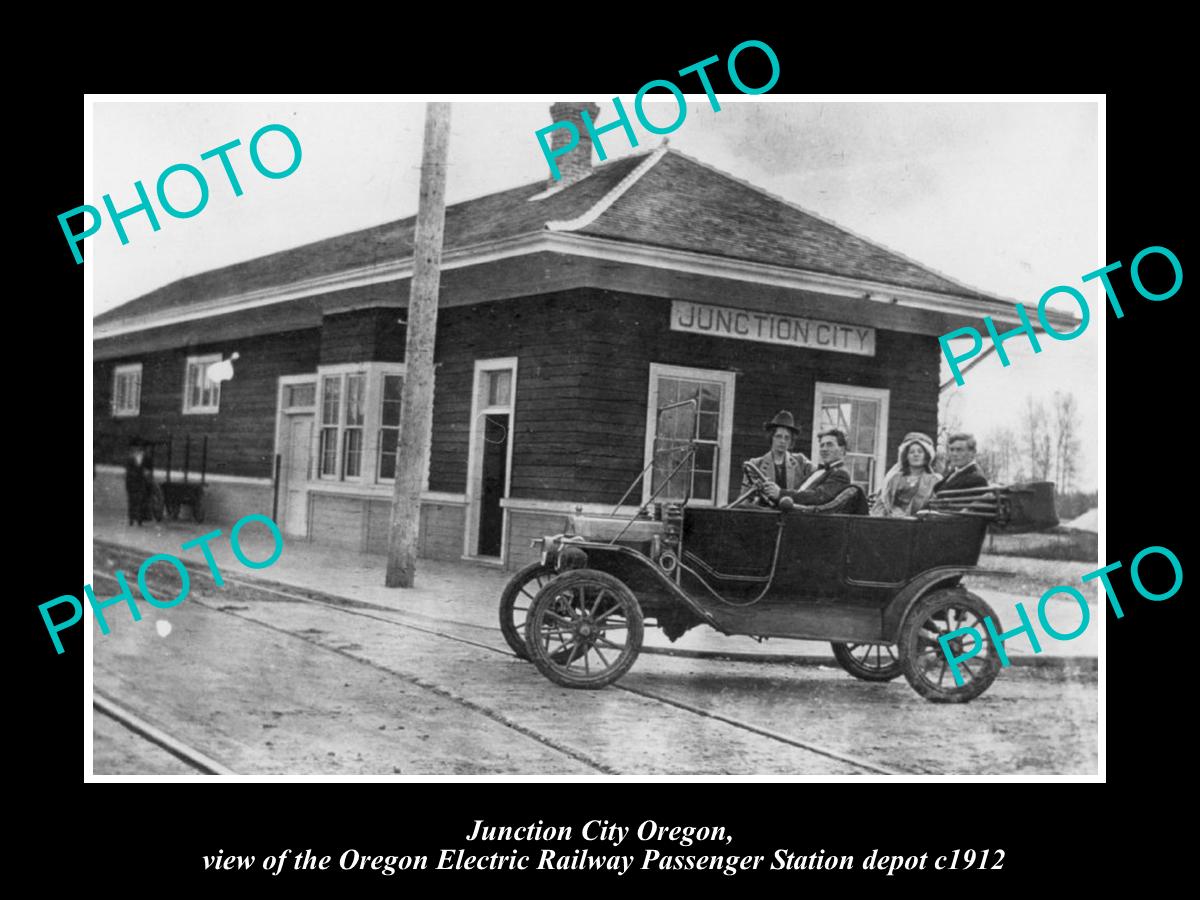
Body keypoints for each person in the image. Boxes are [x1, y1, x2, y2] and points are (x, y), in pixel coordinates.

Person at [741, 411, 813, 505]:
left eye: (787, 438)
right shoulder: (756, 464)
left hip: (793, 514)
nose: (782, 441)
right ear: (771, 437)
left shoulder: (800, 462)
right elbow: (745, 498)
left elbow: (818, 476)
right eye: (778, 436)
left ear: (791, 441)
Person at [871, 431, 940, 517]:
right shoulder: (895, 478)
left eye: (920, 452)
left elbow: (936, 508)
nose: (916, 455)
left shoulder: (934, 480)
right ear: (906, 456)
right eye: (911, 452)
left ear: (926, 457)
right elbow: (882, 504)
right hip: (892, 521)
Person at [782, 427, 853, 506]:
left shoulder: (841, 474)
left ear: (842, 450)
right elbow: (799, 491)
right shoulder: (818, 471)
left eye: (829, 445)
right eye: (822, 445)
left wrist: (781, 493)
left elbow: (817, 496)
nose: (824, 449)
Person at [124, 438, 152, 526]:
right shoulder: (130, 458)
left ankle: (140, 519)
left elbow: (149, 469)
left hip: (141, 481)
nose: (136, 449)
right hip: (132, 481)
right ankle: (131, 519)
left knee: (141, 500)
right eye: (134, 448)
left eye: (139, 448)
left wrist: (146, 474)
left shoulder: (146, 457)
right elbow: (128, 470)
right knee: (132, 500)